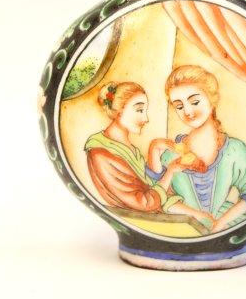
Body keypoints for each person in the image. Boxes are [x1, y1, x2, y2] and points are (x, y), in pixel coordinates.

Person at [149, 66, 246, 232]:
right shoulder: (171, 154)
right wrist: (196, 215)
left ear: (212, 99)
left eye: (195, 102)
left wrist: (222, 222)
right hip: (186, 226)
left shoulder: (234, 149)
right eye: (179, 106)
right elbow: (158, 198)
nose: (188, 111)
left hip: (226, 224)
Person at [84, 81, 214, 225]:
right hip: (138, 224)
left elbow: (155, 192)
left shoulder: (129, 149)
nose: (145, 119)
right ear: (119, 110)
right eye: (139, 110)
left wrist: (195, 214)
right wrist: (170, 171)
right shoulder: (101, 154)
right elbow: (146, 202)